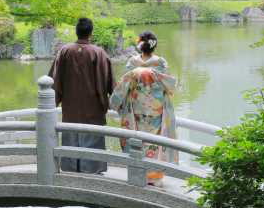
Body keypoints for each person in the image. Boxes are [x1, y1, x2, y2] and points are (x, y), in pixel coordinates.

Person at [48, 16, 114, 174]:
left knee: (71, 137)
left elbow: (53, 80)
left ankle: (71, 170)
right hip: (92, 109)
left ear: (76, 32)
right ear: (91, 33)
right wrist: (116, 103)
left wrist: (54, 101)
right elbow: (110, 82)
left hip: (70, 108)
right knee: (91, 138)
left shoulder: (64, 51)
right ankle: (91, 172)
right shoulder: (99, 53)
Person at [110, 31, 177, 184]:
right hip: (156, 110)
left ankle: (137, 173)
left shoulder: (132, 63)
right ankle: (153, 177)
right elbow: (169, 86)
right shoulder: (160, 63)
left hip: (136, 109)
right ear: (154, 45)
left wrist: (114, 103)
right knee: (155, 140)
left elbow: (123, 86)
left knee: (136, 138)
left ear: (140, 45)